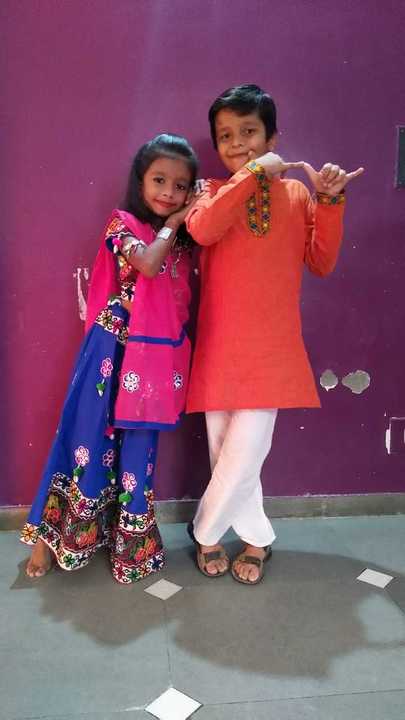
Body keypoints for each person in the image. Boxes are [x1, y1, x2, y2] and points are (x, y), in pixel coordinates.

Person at [185, 84, 364, 585]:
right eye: (226, 136)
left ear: (272, 137)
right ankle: (255, 538)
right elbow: (202, 231)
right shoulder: (210, 192)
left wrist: (329, 200)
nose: (237, 144)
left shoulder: (296, 194)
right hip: (219, 344)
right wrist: (251, 175)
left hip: (273, 347)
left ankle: (207, 532)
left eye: (249, 132)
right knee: (224, 451)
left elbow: (321, 262)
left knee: (246, 451)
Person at [22, 133, 198, 584]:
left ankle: (130, 549)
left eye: (181, 186)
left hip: (154, 360)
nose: (169, 192)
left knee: (140, 449)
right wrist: (174, 222)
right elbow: (148, 264)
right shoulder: (122, 225)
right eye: (159, 180)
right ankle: (51, 538)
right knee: (85, 441)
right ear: (140, 181)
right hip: (111, 352)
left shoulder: (183, 244)